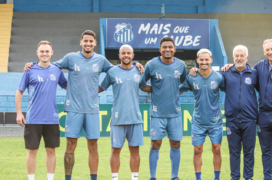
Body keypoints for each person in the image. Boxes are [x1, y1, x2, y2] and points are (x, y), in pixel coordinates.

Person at [24, 30, 144, 180]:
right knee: (70, 146)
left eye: (90, 41)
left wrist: (134, 64)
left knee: (93, 146)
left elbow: (118, 68)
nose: (88, 43)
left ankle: (93, 178)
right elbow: (48, 63)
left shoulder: (100, 60)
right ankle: (68, 178)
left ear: (94, 43)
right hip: (73, 109)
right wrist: (33, 64)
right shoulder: (70, 58)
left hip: (92, 110)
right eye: (85, 41)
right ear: (81, 42)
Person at [221, 39, 272, 179]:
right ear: (264, 52)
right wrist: (231, 66)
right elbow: (240, 69)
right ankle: (267, 178)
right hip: (263, 116)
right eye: (267, 50)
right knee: (266, 152)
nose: (270, 52)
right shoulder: (259, 68)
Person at [15, 41, 67, 180]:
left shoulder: (57, 70)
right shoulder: (29, 70)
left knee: (51, 150)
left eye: (47, 51)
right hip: (33, 118)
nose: (44, 53)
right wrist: (19, 113)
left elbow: (67, 86)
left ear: (52, 53)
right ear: (37, 53)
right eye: (42, 51)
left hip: (52, 118)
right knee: (32, 151)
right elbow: (19, 92)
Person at [99, 44, 152, 180]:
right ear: (119, 56)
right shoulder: (112, 72)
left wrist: (162, 88)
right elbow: (101, 88)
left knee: (135, 150)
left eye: (129, 53)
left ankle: (134, 178)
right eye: (123, 53)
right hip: (118, 118)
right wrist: (84, 89)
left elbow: (144, 87)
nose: (126, 55)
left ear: (133, 55)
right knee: (115, 150)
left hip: (135, 117)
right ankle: (115, 178)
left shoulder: (139, 71)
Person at [144, 36, 187, 180]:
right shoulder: (151, 65)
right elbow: (141, 84)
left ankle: (174, 176)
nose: (167, 49)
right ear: (160, 49)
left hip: (175, 113)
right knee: (155, 143)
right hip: (157, 113)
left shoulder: (181, 65)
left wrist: (175, 91)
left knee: (175, 143)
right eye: (165, 47)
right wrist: (156, 90)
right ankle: (153, 177)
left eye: (170, 47)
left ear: (174, 49)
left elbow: (185, 83)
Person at [179, 49, 225, 180]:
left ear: (210, 60)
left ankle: (216, 178)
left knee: (217, 149)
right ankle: (198, 178)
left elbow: (230, 89)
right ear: (197, 60)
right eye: (201, 59)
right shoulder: (191, 77)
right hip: (198, 122)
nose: (204, 62)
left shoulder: (218, 77)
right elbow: (179, 91)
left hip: (215, 121)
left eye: (206, 59)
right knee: (197, 150)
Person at [219, 45, 258, 180]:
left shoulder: (254, 74)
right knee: (234, 152)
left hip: (249, 120)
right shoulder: (225, 72)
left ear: (247, 57)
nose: (239, 58)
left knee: (249, 152)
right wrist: (195, 69)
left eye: (242, 56)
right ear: (233, 57)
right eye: (237, 56)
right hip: (232, 120)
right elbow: (208, 75)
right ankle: (234, 177)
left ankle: (248, 177)